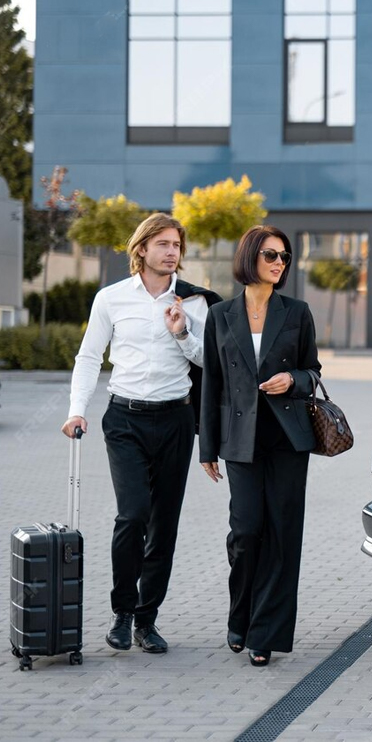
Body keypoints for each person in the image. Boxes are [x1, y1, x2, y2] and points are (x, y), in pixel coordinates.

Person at [62, 213, 218, 654]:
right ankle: (122, 612)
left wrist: (182, 332)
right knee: (132, 516)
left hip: (175, 421)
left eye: (177, 245)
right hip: (125, 419)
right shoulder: (111, 299)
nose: (172, 252)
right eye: (163, 244)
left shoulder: (194, 303)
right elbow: (89, 357)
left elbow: (210, 361)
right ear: (142, 249)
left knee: (163, 525)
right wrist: (76, 411)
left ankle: (146, 621)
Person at [199, 225, 321, 667]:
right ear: (250, 256)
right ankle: (241, 613)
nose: (279, 263)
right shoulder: (220, 315)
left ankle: (264, 633)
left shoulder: (297, 312)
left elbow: (313, 371)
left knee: (282, 535)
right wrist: (207, 447)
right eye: (271, 254)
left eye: (284, 256)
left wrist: (293, 379)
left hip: (288, 439)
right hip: (240, 440)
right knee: (247, 531)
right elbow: (211, 383)